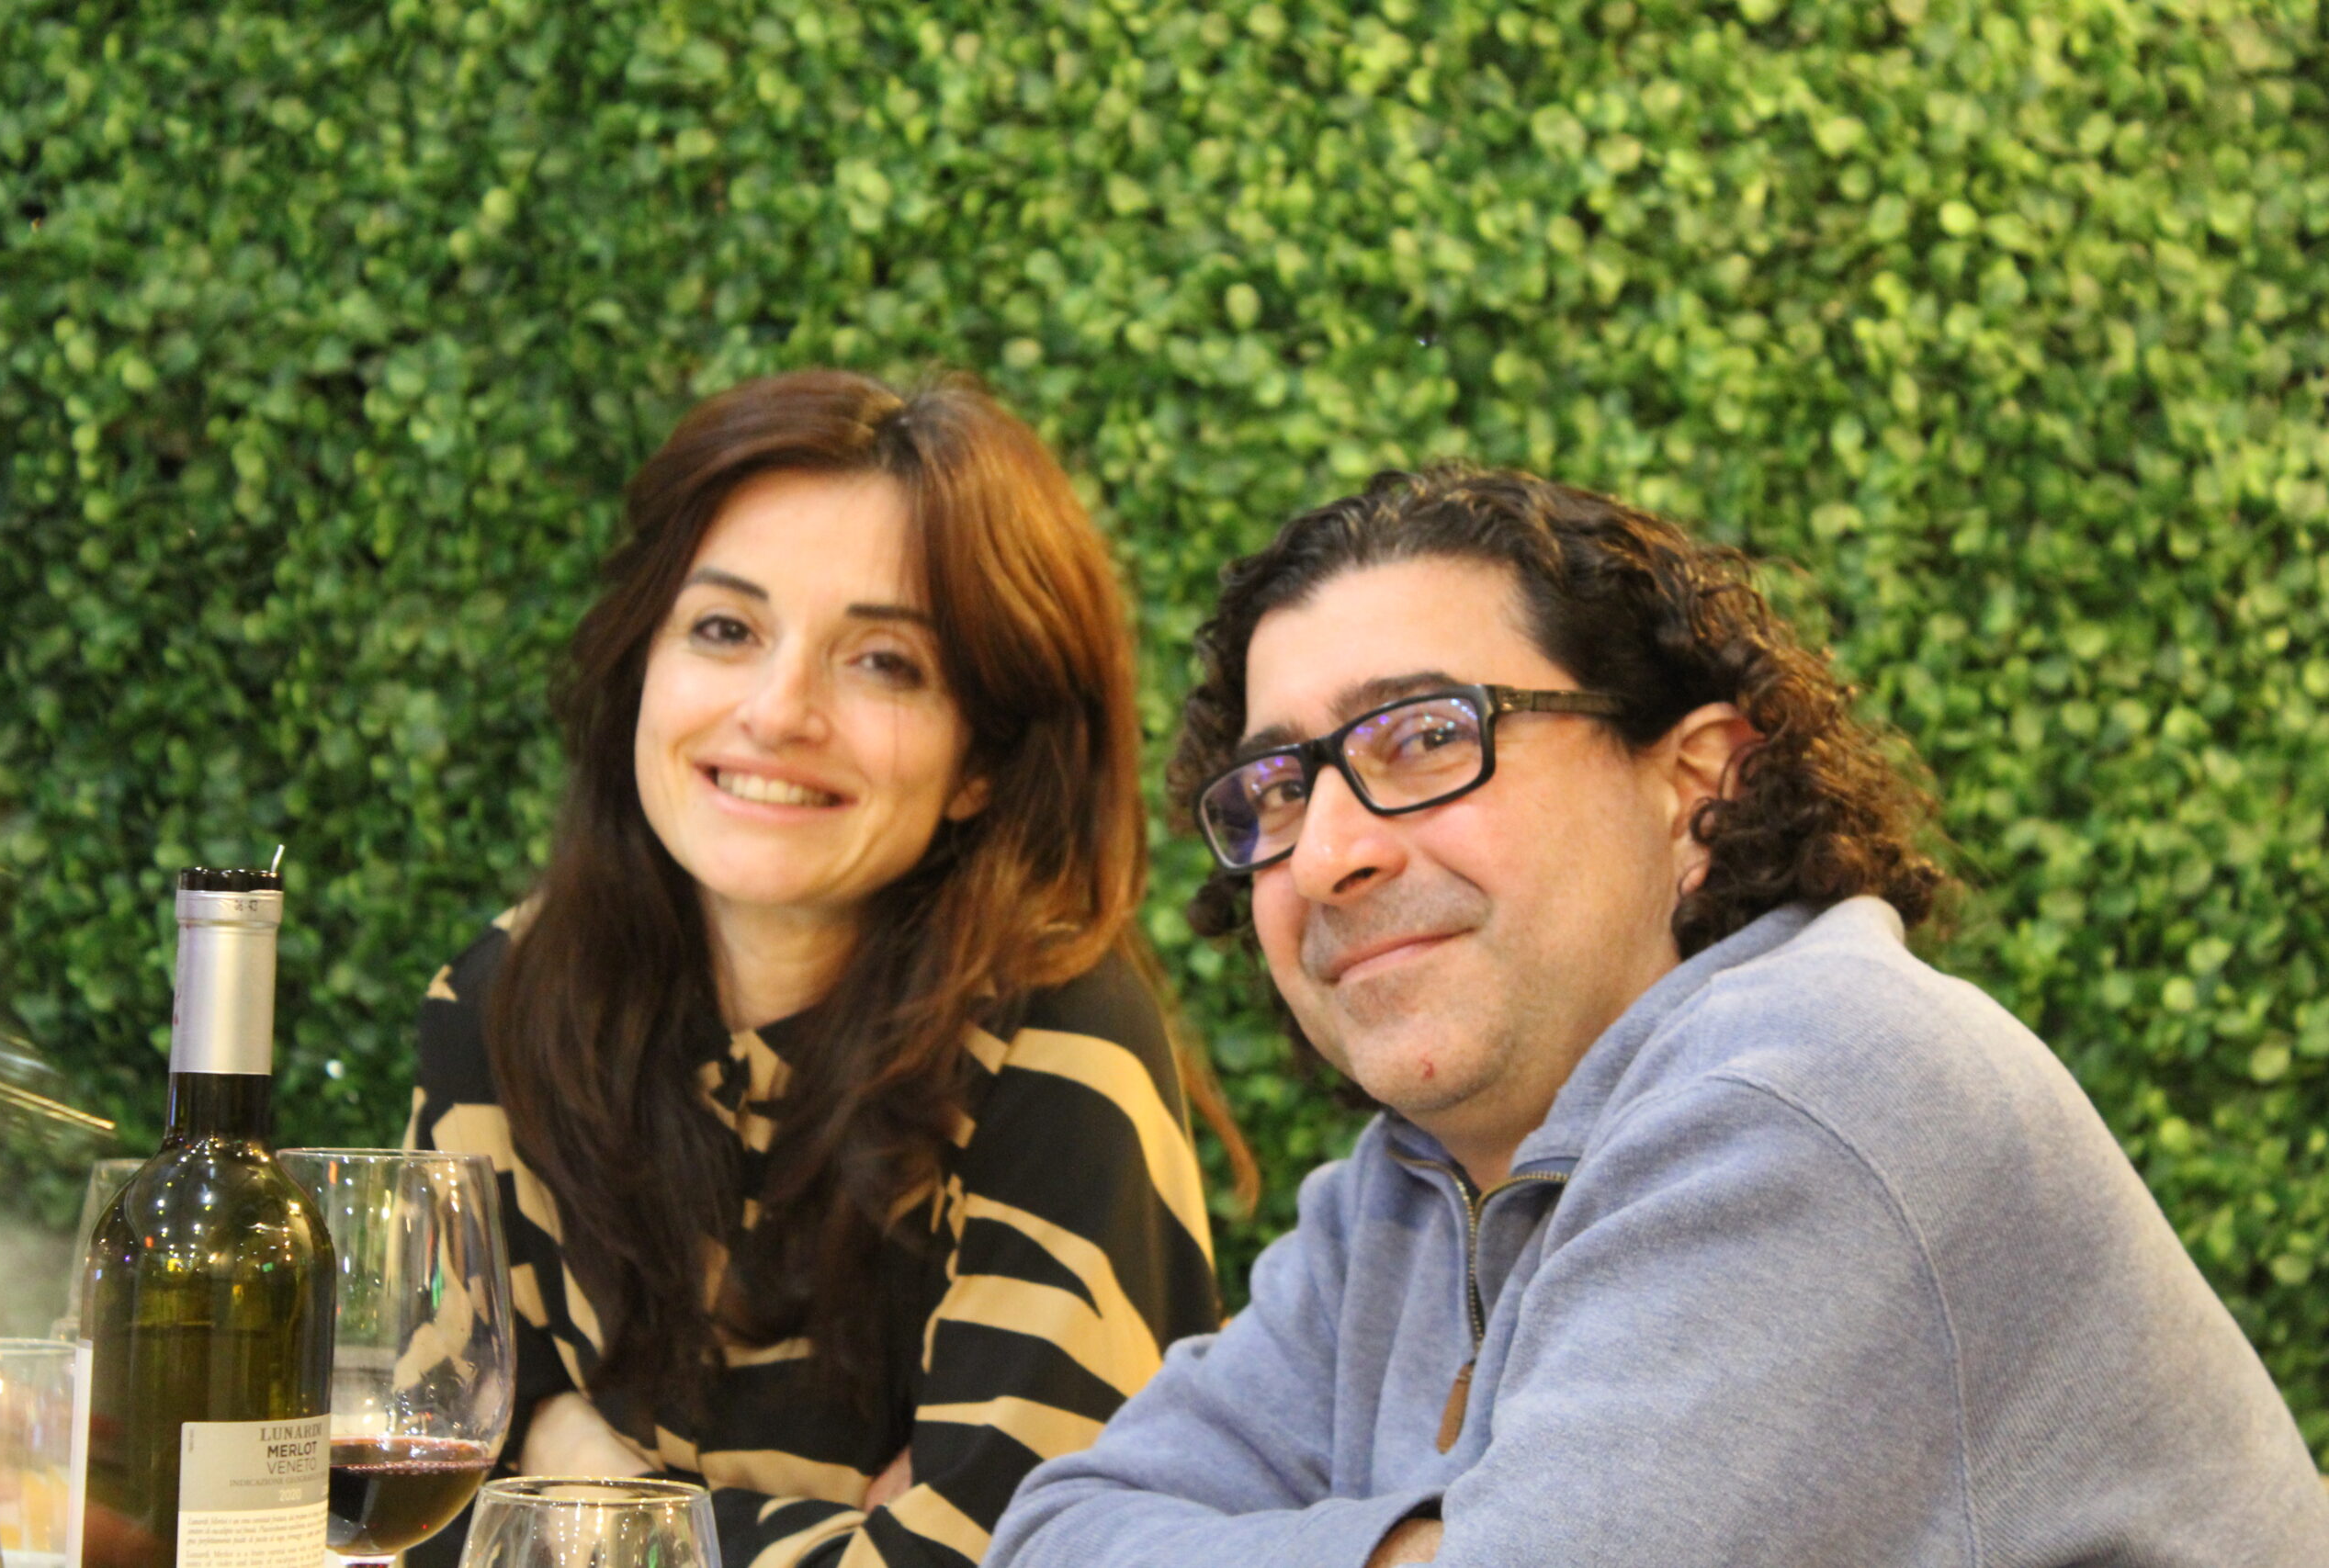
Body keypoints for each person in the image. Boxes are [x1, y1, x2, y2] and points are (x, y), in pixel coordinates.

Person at [986, 467, 2329, 1567]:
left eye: (1428, 736)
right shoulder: (1399, 1199)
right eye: (1279, 786)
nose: (1329, 851)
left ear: (1696, 787)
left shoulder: (1819, 1089)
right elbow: (1051, 1537)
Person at [409, 369, 1241, 1568]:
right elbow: (430, 1502)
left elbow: (1029, 1556)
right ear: (642, 667)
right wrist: (851, 1533)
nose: (779, 710)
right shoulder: (503, 1002)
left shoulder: (1059, 1042)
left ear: (981, 762)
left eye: (885, 663)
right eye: (725, 630)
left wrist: (578, 1468)